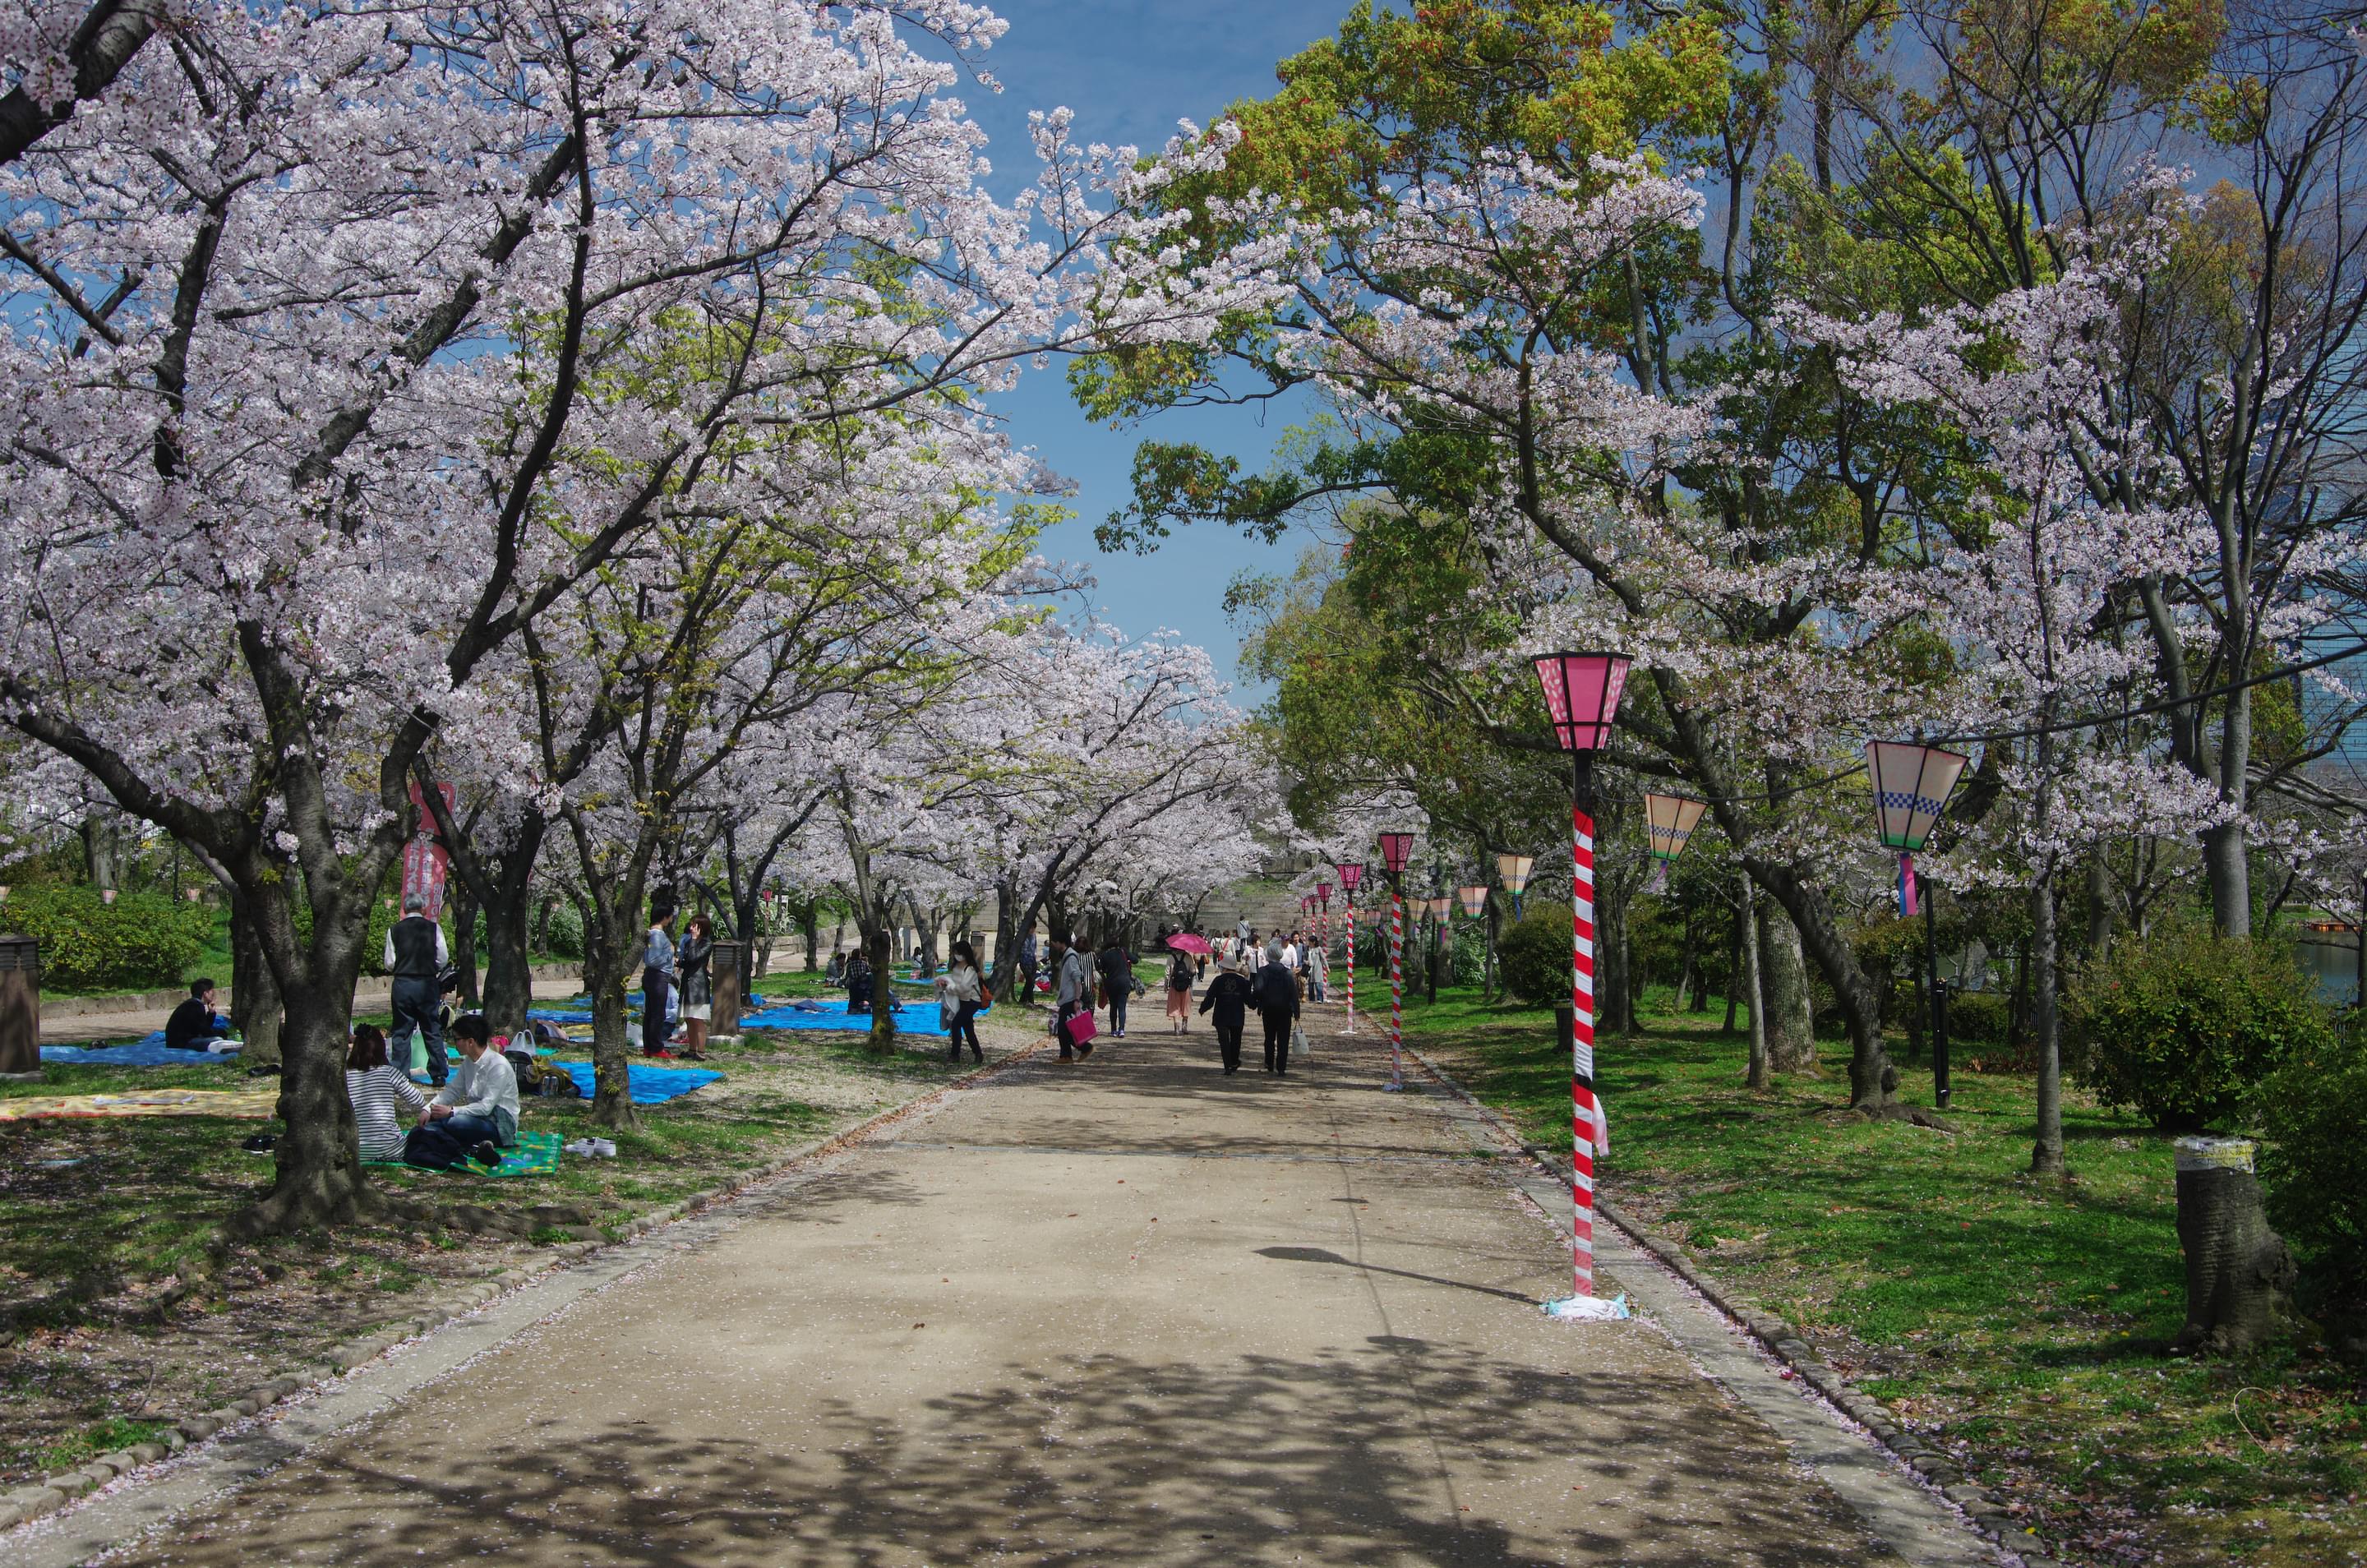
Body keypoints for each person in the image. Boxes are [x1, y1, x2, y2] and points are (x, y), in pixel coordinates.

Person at [406, 1013, 519, 1169]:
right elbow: (453, 1091)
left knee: (454, 1122)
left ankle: (465, 1144)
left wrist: (452, 1111)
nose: (455, 1043)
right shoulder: (468, 1062)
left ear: (471, 1042)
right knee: (431, 1124)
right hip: (477, 1120)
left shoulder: (498, 1066)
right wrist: (427, 1109)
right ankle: (474, 1146)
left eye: (457, 1039)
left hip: (499, 1125)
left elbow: (486, 1107)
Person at [385, 892, 450, 1086]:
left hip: (403, 983)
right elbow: (443, 957)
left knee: (401, 1030)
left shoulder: (394, 930)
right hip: (427, 983)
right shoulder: (433, 928)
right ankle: (438, 1074)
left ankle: (400, 1075)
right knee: (432, 1028)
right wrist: (431, 968)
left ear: (404, 910)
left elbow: (390, 962)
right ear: (423, 909)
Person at [345, 1023, 426, 1161]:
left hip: (356, 1149)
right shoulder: (389, 1073)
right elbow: (419, 1100)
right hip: (392, 1149)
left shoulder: (345, 1076)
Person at [1198, 957, 1254, 1074]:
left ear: (1224, 967)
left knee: (1224, 1041)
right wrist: (1254, 1005)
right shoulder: (1242, 981)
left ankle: (1227, 1066)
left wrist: (1203, 1008)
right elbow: (1248, 999)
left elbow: (1210, 997)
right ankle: (1234, 1061)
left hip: (1221, 1014)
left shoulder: (1218, 980)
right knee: (1236, 1040)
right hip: (1237, 1014)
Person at [1255, 939, 1302, 1075]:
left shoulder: (1263, 971)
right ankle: (1281, 1067)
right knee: (1283, 1039)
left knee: (1269, 1037)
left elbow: (1258, 989)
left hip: (1268, 1008)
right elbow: (1294, 994)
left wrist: (1259, 1001)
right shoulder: (1287, 973)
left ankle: (1269, 1062)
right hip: (1285, 1010)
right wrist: (1296, 1012)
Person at [940, 940, 985, 1063]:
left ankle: (955, 1055)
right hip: (963, 1001)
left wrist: (949, 988)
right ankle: (978, 1054)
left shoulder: (970, 969)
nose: (956, 955)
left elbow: (964, 987)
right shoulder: (957, 967)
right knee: (968, 1029)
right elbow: (954, 981)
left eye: (957, 953)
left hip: (972, 1001)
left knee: (956, 1025)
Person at [676, 913, 714, 1060]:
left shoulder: (706, 944)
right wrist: (678, 962)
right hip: (688, 983)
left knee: (698, 1019)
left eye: (694, 925)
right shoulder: (689, 942)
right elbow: (687, 961)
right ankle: (692, 1049)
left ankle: (701, 1051)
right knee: (689, 1018)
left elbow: (694, 958)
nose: (691, 928)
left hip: (698, 985)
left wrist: (692, 941)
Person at [1050, 931, 1093, 1061]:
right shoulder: (1066, 956)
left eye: (1055, 942)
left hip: (1071, 998)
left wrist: (1077, 999)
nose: (1053, 944)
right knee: (1064, 1029)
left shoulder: (1071, 958)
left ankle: (1081, 1050)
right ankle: (1067, 1055)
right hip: (1067, 998)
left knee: (1064, 1029)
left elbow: (1077, 979)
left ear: (1061, 943)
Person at [164, 977, 234, 1051]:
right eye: (211, 991)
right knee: (218, 1040)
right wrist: (223, 1034)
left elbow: (204, 1027)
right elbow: (205, 1032)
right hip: (182, 1044)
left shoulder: (191, 1004)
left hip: (177, 1042)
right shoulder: (196, 1007)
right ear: (205, 994)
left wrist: (211, 1013)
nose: (213, 993)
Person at [1096, 934, 1134, 1039]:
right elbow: (1135, 960)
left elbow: (1102, 969)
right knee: (1122, 1007)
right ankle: (1121, 1029)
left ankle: (1113, 1030)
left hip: (1112, 983)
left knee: (1113, 1007)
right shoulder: (1123, 951)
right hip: (1124, 982)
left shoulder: (1105, 955)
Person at [1164, 945, 1195, 1034]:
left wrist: (1166, 986)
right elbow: (1193, 971)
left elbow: (1167, 973)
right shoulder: (1188, 957)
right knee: (1186, 1006)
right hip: (1185, 986)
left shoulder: (1171, 958)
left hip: (1174, 985)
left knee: (1175, 1006)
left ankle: (1177, 1028)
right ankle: (1184, 1027)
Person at [844, 947, 874, 1013]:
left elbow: (848, 975)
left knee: (853, 1000)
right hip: (863, 984)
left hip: (853, 985)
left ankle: (852, 1009)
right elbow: (868, 973)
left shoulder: (850, 964)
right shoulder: (863, 963)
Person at [1018, 929, 1040, 1000]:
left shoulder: (1034, 936)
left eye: (1033, 928)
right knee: (1030, 981)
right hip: (1024, 961)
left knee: (1030, 982)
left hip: (1032, 961)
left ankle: (1023, 999)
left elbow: (1035, 948)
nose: (1032, 930)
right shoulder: (1022, 936)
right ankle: (1030, 1000)